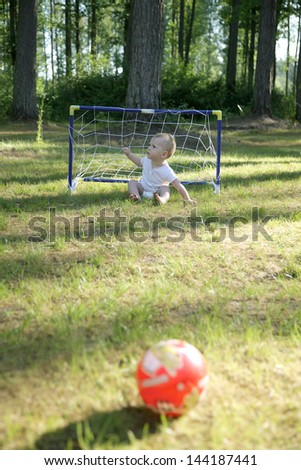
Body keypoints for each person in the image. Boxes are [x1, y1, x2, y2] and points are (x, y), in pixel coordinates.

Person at [123, 133, 197, 205]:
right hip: (143, 189)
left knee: (165, 189)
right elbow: (139, 162)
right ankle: (136, 197)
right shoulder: (147, 160)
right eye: (150, 145)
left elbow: (178, 185)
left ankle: (162, 199)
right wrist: (129, 154)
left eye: (154, 146)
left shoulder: (167, 171)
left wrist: (187, 198)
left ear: (164, 154)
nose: (149, 148)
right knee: (132, 182)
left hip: (157, 191)